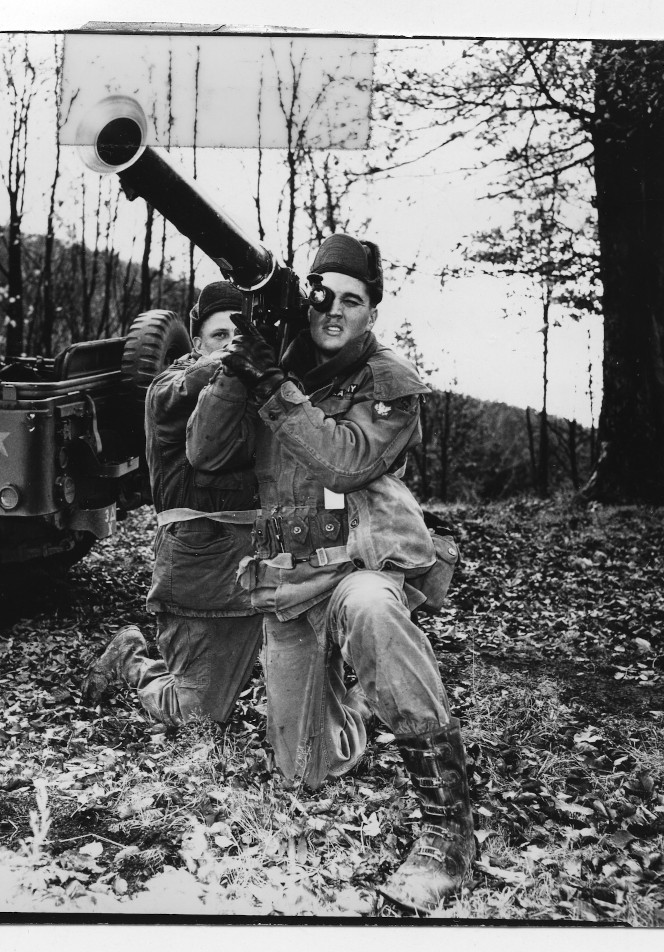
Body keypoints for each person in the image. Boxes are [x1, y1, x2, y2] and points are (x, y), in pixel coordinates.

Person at [185, 235, 474, 913]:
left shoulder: (389, 382)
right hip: (291, 571)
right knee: (303, 772)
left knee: (371, 608)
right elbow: (203, 451)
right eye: (324, 297)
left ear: (373, 311)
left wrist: (275, 388)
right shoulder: (273, 366)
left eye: (354, 299)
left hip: (361, 562)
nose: (335, 311)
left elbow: (342, 464)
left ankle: (447, 827)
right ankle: (351, 703)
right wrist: (239, 368)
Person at [81, 282, 263, 727]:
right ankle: (132, 660)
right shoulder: (169, 386)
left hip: (262, 562)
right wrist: (238, 357)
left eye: (240, 334)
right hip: (201, 568)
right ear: (197, 342)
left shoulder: (258, 385)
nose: (231, 344)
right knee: (198, 714)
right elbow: (181, 390)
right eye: (221, 336)